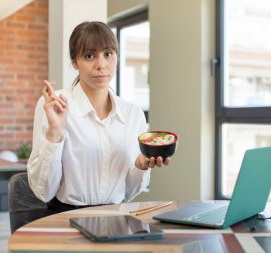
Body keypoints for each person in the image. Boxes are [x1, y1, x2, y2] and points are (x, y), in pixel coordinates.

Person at [27, 21, 169, 213]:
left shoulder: (133, 114)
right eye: (90, 55)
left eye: (108, 54)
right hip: (65, 216)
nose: (101, 65)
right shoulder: (55, 106)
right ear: (75, 62)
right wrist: (55, 132)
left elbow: (128, 192)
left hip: (115, 216)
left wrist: (140, 166)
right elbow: (43, 191)